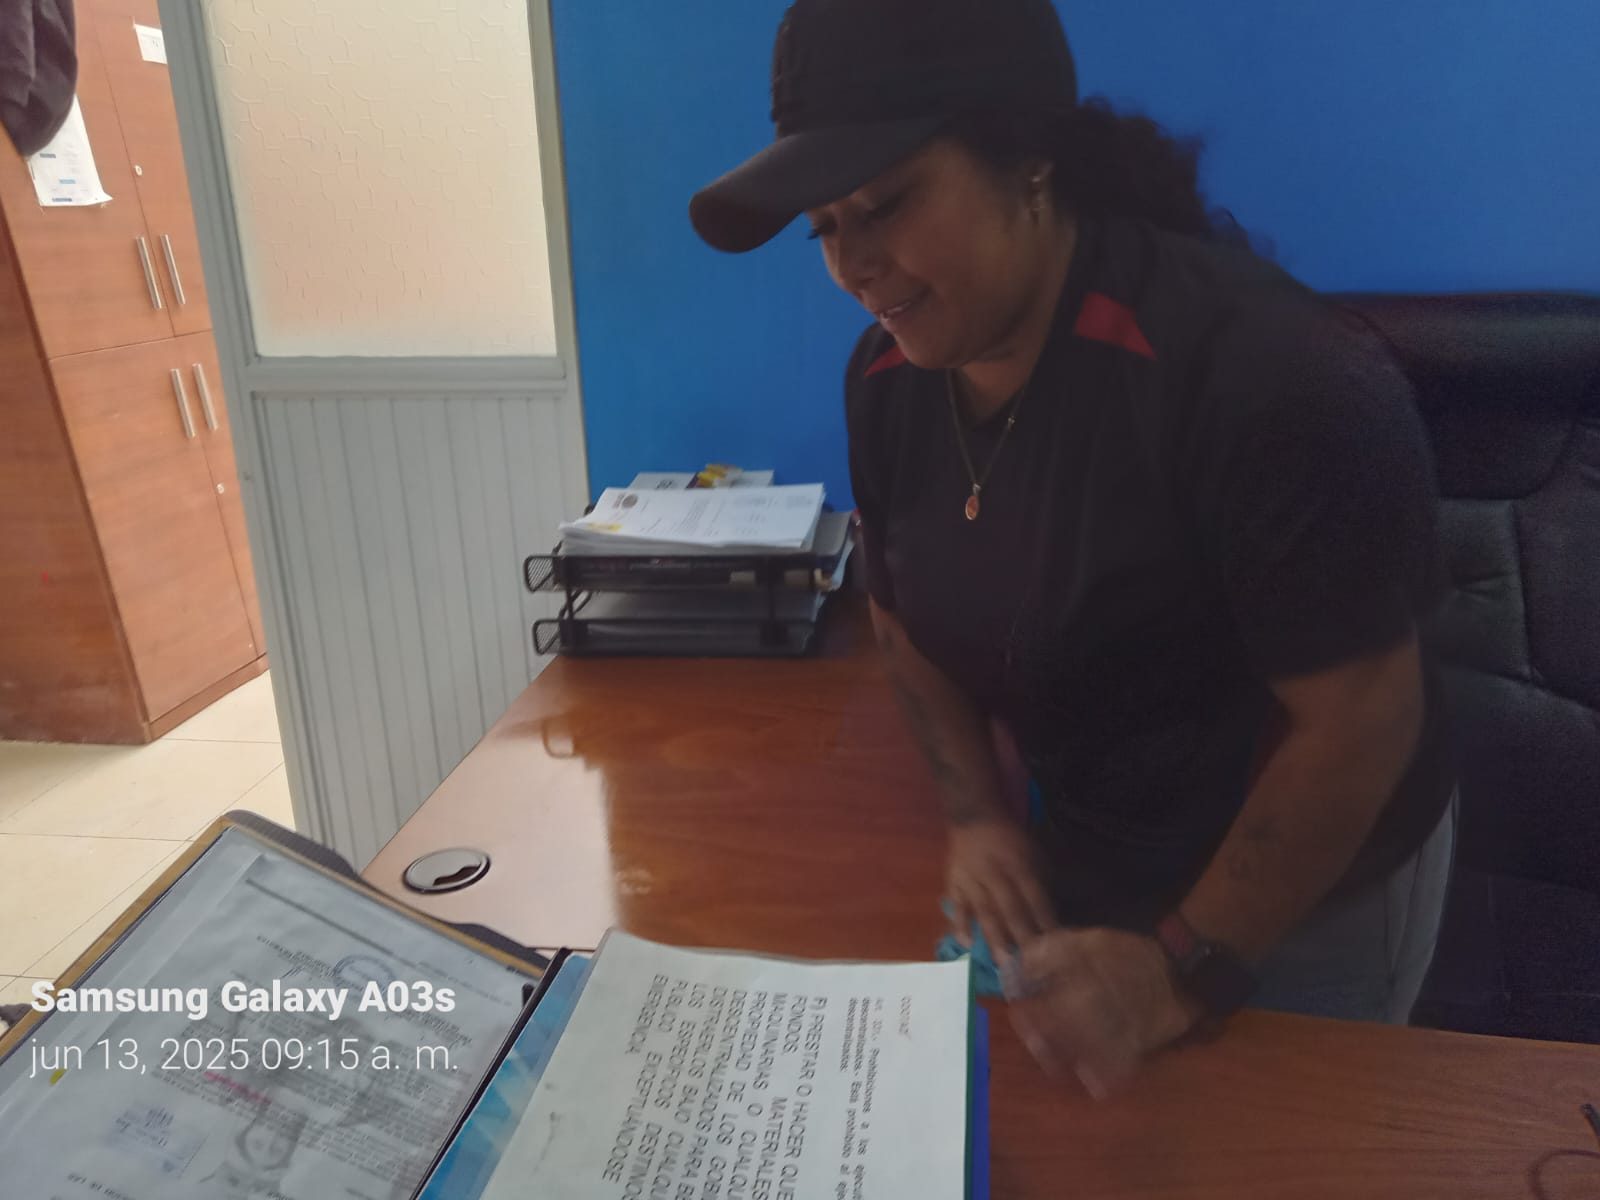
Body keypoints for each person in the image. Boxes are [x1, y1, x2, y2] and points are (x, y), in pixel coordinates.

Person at [690, 0, 1457, 1096]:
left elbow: (1361, 720)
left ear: (1030, 161)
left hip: (1314, 878)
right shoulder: (887, 383)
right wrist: (976, 817)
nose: (853, 265)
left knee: (1286, 1146)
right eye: (823, 226)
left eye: (885, 204)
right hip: (1103, 839)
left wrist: (1185, 966)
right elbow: (902, 619)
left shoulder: (1269, 379)